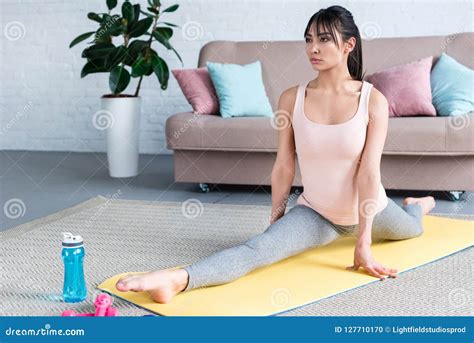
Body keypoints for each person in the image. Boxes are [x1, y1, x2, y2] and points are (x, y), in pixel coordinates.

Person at [115, 5, 436, 304]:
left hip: (372, 210)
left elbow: (368, 173)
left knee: (413, 229)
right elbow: (284, 165)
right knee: (258, 248)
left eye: (324, 40)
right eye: (309, 39)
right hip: (317, 214)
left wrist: (363, 241)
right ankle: (176, 279)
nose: (313, 48)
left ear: (349, 45)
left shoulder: (372, 100)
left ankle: (418, 204)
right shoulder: (291, 98)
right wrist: (276, 219)